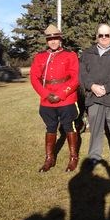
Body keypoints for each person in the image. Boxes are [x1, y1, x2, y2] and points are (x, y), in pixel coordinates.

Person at [30, 24, 80, 172]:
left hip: (66, 97)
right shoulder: (40, 57)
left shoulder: (70, 55)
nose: (53, 42)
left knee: (68, 126)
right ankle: (49, 158)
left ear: (60, 39)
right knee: (50, 127)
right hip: (47, 100)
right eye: (50, 39)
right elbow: (34, 78)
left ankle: (73, 157)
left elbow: (75, 78)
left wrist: (61, 94)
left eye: (56, 38)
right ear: (47, 41)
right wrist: (46, 95)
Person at [79, 24, 110, 169]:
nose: (104, 38)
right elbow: (82, 74)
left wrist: (106, 88)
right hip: (94, 97)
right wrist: (92, 86)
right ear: (97, 37)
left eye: (107, 35)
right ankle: (94, 156)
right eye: (101, 35)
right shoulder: (87, 54)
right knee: (95, 129)